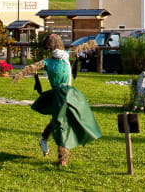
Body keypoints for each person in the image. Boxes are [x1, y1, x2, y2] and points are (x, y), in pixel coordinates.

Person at [12, 33, 101, 167]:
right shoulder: (48, 62)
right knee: (61, 125)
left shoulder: (66, 55)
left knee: (64, 119)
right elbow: (31, 68)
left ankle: (44, 138)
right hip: (58, 96)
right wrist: (19, 75)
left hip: (69, 94)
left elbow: (83, 47)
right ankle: (62, 158)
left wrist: (92, 43)